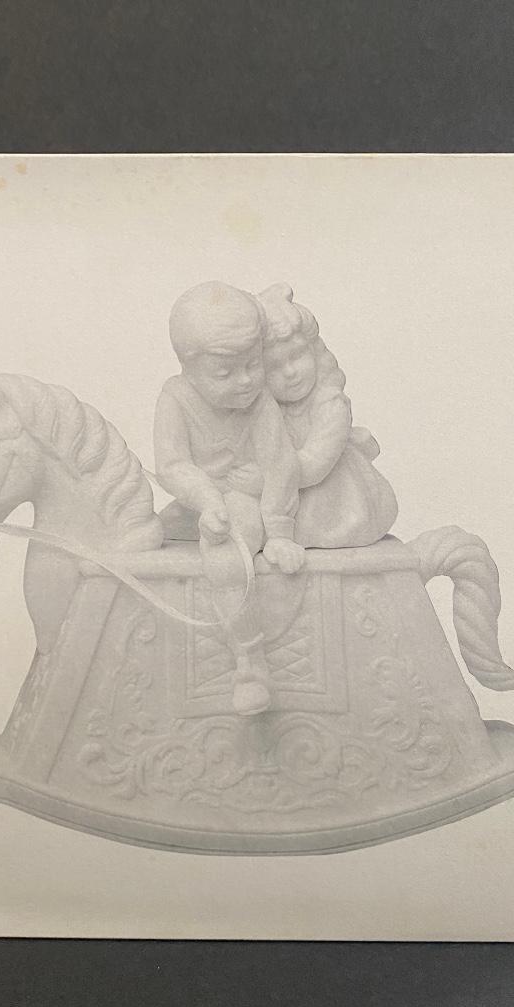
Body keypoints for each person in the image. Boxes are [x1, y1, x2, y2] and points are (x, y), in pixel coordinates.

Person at [153, 281, 305, 716]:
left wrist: (279, 531)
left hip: (243, 502)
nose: (245, 381)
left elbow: (280, 466)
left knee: (224, 556)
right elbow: (171, 465)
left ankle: (250, 665)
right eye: (224, 373)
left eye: (253, 365)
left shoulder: (260, 403)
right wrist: (205, 499)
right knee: (141, 535)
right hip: (198, 501)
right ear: (188, 367)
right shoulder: (175, 398)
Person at [258, 283, 398, 548]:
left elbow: (315, 466)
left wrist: (264, 478)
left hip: (333, 498)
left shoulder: (330, 404)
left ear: (315, 352)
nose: (290, 372)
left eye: (297, 356)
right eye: (273, 367)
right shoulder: (267, 412)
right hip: (283, 495)